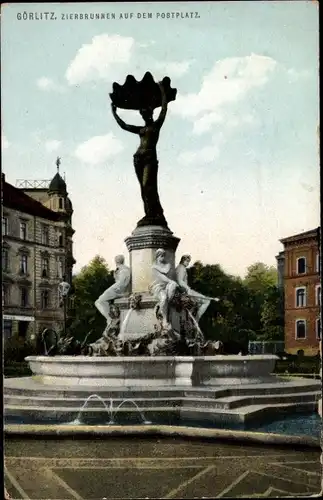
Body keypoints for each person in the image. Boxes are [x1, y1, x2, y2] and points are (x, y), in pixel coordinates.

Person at [111, 82, 168, 227]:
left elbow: (164, 109)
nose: (145, 115)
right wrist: (114, 113)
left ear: (151, 113)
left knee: (148, 185)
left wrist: (162, 90)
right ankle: (149, 213)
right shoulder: (141, 129)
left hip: (149, 158)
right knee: (143, 188)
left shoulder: (157, 125)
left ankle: (155, 214)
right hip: (138, 159)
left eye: (147, 113)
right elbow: (124, 126)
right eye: (143, 114)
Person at [176, 255, 220, 323]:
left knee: (203, 299)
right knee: (206, 301)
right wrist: (188, 288)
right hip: (186, 292)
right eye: (187, 261)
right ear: (183, 260)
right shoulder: (181, 268)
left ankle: (192, 319)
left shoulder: (179, 268)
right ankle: (196, 320)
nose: (188, 263)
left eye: (189, 261)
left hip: (184, 291)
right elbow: (180, 281)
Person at [95, 255, 130, 325]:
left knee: (99, 301)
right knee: (99, 301)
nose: (116, 261)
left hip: (117, 290)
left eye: (117, 260)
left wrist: (119, 294)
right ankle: (111, 318)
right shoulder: (122, 269)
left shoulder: (124, 270)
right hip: (117, 290)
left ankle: (111, 319)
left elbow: (122, 283)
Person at [150, 248, 179, 329]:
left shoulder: (167, 265)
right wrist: (171, 281)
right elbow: (162, 276)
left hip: (167, 286)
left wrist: (172, 283)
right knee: (164, 298)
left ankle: (162, 308)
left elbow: (166, 271)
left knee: (172, 287)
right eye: (160, 256)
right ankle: (165, 319)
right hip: (158, 287)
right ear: (157, 257)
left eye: (163, 256)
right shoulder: (154, 267)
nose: (162, 257)